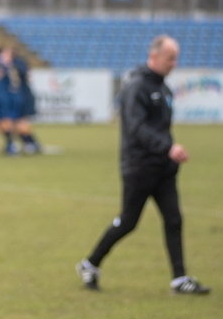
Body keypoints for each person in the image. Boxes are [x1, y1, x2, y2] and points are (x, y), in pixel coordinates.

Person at [76, 35, 210, 295]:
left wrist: (168, 151)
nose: (174, 63)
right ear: (154, 57)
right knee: (128, 221)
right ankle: (89, 263)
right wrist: (167, 147)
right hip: (139, 167)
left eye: (175, 58)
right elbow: (136, 129)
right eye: (170, 58)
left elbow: (160, 128)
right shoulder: (136, 87)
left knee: (174, 219)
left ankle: (179, 279)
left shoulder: (164, 89)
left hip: (164, 168)